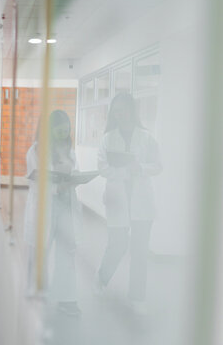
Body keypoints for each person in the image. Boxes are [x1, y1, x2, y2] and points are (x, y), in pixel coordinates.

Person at [94, 93, 161, 313]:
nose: (119, 114)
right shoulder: (108, 138)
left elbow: (158, 166)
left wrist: (140, 168)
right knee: (117, 246)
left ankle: (137, 297)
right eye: (116, 110)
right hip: (118, 199)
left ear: (132, 111)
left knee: (140, 251)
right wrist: (124, 172)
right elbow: (102, 168)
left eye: (123, 109)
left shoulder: (147, 137)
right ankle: (102, 280)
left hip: (142, 201)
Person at [46, 110, 83, 316]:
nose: (63, 132)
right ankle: (40, 294)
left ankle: (67, 299)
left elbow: (75, 170)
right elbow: (37, 180)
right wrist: (56, 187)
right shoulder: (41, 151)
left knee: (67, 254)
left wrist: (76, 178)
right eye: (59, 129)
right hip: (48, 207)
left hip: (67, 208)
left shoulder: (71, 151)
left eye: (66, 129)